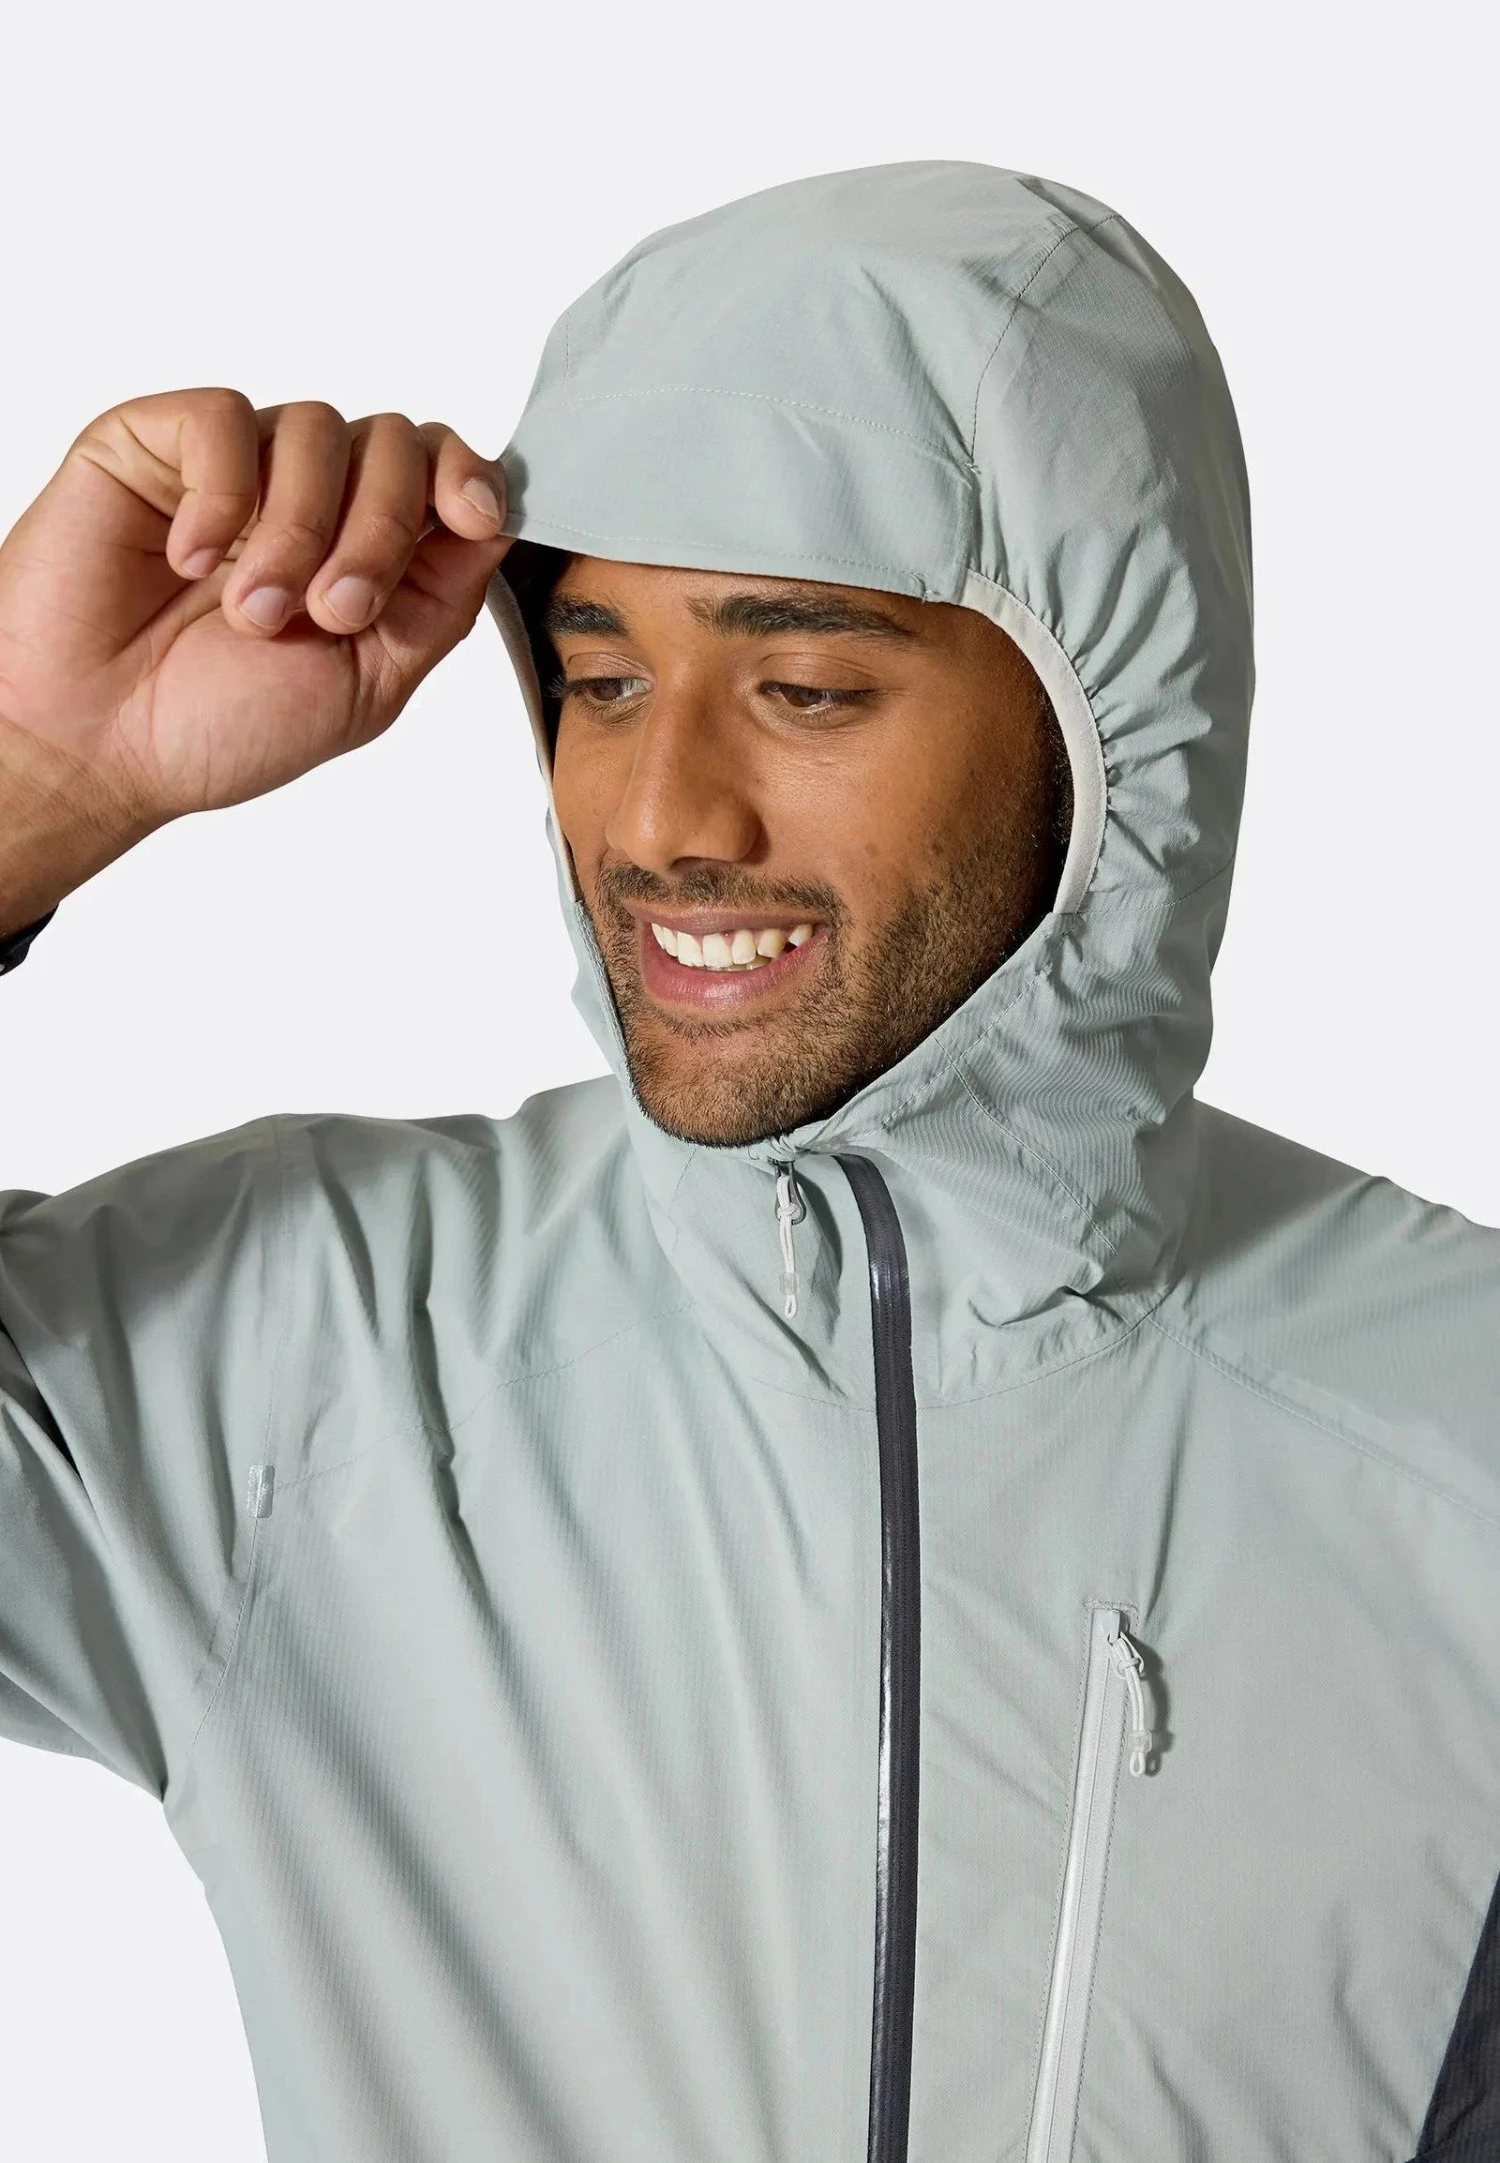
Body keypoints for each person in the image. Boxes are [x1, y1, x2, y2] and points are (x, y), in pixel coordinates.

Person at [0, 162, 1494, 2163]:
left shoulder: (1457, 1446)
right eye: (601, 680)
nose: (659, 819)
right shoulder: (303, 1361)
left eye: (804, 688)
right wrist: (26, 780)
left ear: (1115, 720)